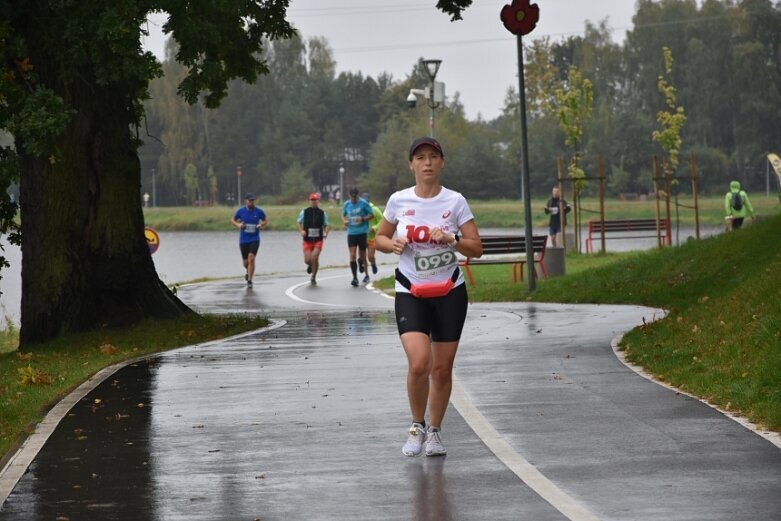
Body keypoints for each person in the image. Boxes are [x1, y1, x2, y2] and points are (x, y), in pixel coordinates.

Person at [375, 137, 482, 457]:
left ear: (442, 162)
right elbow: (379, 237)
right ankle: (416, 426)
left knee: (442, 368)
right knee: (420, 362)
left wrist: (452, 239)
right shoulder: (398, 200)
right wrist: (390, 244)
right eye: (420, 157)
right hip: (411, 290)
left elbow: (476, 248)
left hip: (449, 291)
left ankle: (435, 431)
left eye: (433, 157)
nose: (427, 163)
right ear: (411, 165)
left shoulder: (456, 201)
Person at [230, 192, 267, 287]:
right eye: (250, 200)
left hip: (255, 238)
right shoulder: (240, 211)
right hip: (243, 239)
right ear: (246, 201)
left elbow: (265, 220)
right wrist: (238, 225)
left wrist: (261, 225)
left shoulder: (259, 211)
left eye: (253, 200)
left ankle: (250, 280)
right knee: (245, 262)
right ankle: (248, 271)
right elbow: (232, 220)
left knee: (251, 258)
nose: (251, 202)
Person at [297, 192, 331, 285]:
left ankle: (313, 277)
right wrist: (301, 231)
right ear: (309, 201)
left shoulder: (322, 213)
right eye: (312, 200)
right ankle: (311, 265)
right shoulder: (304, 212)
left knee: (314, 257)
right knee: (308, 260)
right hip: (307, 240)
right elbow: (298, 222)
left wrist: (325, 232)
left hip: (318, 239)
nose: (313, 202)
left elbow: (327, 225)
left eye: (315, 200)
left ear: (318, 201)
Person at [342, 187, 373, 286]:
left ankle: (366, 274)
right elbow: (343, 215)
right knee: (352, 255)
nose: (354, 199)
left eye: (355, 197)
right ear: (349, 196)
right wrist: (345, 221)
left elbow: (371, 215)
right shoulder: (347, 204)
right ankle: (354, 278)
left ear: (357, 195)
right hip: (351, 233)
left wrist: (363, 219)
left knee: (362, 256)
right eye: (352, 197)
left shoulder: (363, 203)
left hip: (362, 232)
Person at [362, 192, 384, 275]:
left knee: (370, 257)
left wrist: (374, 227)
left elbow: (382, 220)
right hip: (362, 237)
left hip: (372, 237)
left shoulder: (374, 209)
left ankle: (373, 263)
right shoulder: (360, 209)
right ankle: (363, 268)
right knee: (361, 257)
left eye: (366, 202)